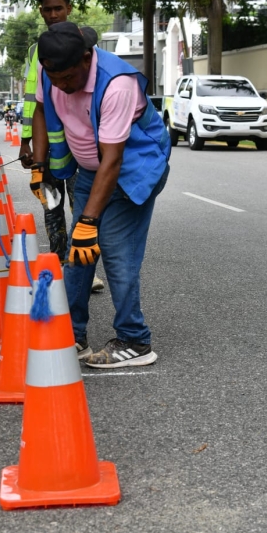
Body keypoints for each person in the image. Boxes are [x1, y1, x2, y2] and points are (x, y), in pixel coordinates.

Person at [32, 21, 171, 368]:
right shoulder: (49, 67)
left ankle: (135, 340)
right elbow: (39, 110)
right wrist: (39, 166)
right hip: (92, 170)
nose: (61, 87)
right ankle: (71, 333)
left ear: (85, 59)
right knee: (77, 253)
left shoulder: (117, 85)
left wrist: (89, 220)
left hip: (133, 170)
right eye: (55, 79)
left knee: (114, 249)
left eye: (67, 79)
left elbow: (114, 158)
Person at [18, 0, 104, 294]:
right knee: (51, 206)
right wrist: (27, 141)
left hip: (80, 145)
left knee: (80, 208)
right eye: (47, 9)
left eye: (58, 8)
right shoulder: (36, 50)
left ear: (69, 8)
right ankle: (58, 265)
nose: (53, 14)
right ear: (40, 12)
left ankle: (81, 268)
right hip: (48, 144)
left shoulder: (86, 43)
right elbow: (34, 101)